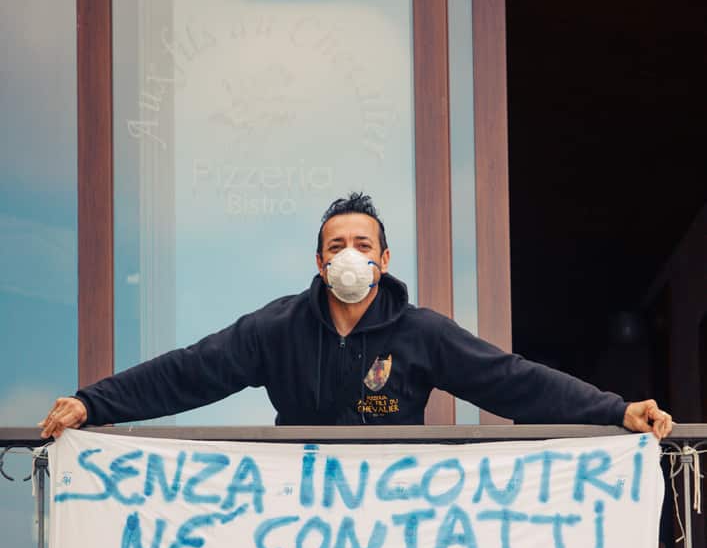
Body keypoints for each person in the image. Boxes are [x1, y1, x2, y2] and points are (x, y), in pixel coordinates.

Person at [40, 193, 673, 440]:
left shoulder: (421, 333)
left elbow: (510, 380)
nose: (350, 255)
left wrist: (614, 410)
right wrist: (93, 404)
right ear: (319, 262)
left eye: (362, 245)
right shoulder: (276, 330)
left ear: (384, 259)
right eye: (337, 246)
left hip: (391, 523)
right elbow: (187, 374)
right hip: (301, 522)